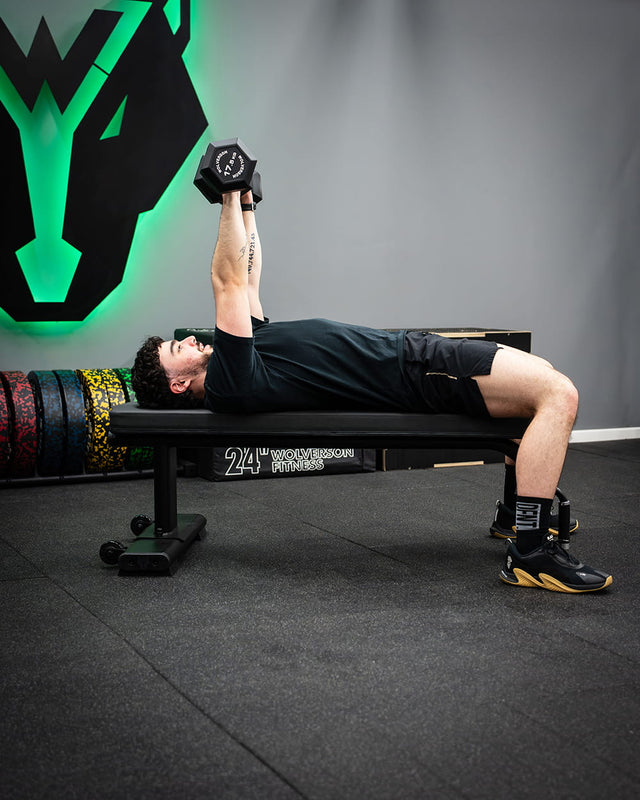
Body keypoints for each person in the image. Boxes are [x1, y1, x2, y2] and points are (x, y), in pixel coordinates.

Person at [132, 187, 612, 594]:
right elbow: (229, 280)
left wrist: (247, 205)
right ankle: (530, 552)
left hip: (412, 356)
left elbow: (249, 278)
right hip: (416, 371)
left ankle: (516, 514)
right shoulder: (229, 381)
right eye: (178, 348)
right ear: (178, 383)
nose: (189, 340)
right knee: (557, 394)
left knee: (540, 377)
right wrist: (226, 197)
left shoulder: (243, 356)